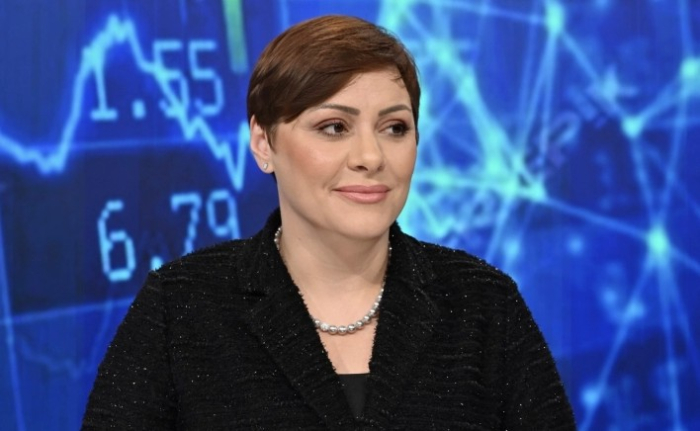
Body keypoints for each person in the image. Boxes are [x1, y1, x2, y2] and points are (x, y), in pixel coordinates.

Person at [82, 14, 576, 430]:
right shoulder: (179, 307)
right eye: (334, 127)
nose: (371, 156)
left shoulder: (484, 303)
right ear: (263, 143)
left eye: (395, 127)